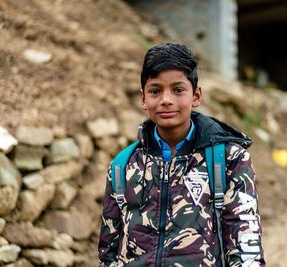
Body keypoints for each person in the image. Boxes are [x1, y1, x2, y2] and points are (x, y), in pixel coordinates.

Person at [98, 43, 265, 267]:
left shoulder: (229, 160)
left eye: (178, 90)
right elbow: (108, 253)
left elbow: (246, 248)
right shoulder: (122, 166)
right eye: (155, 91)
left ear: (196, 96)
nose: (166, 99)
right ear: (143, 99)